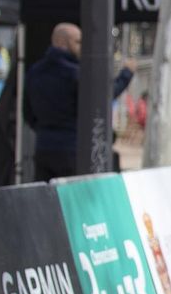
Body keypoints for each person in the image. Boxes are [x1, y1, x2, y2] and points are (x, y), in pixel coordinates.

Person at [22, 22, 134, 181]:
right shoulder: (76, 74)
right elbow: (103, 98)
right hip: (72, 149)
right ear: (61, 42)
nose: (82, 46)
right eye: (78, 42)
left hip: (44, 148)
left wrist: (44, 130)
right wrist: (126, 74)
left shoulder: (35, 72)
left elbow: (28, 112)